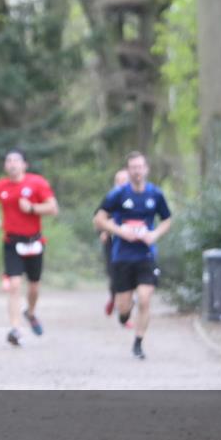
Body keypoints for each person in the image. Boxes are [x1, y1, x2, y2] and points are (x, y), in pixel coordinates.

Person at [93, 151, 172, 360]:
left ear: (146, 169)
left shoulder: (155, 194)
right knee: (124, 306)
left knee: (145, 299)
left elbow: (167, 220)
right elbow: (99, 219)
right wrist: (120, 231)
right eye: (133, 168)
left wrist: (154, 234)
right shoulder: (118, 195)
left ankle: (138, 342)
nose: (137, 171)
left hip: (145, 255)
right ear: (128, 171)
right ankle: (125, 313)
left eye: (140, 167)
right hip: (122, 256)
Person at [0, 149, 58, 346]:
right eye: (8, 161)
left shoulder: (37, 183)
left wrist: (33, 208)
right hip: (11, 242)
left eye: (16, 160)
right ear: (5, 166)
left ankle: (31, 312)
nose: (12, 164)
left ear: (25, 165)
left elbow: (53, 207)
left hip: (34, 242)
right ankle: (16, 329)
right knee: (14, 285)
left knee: (34, 286)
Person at [100, 168, 130, 318]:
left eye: (124, 180)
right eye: (118, 181)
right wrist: (105, 231)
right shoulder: (110, 199)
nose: (121, 183)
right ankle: (115, 298)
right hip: (113, 244)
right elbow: (98, 220)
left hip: (133, 245)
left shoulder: (139, 196)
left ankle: (124, 308)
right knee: (114, 275)